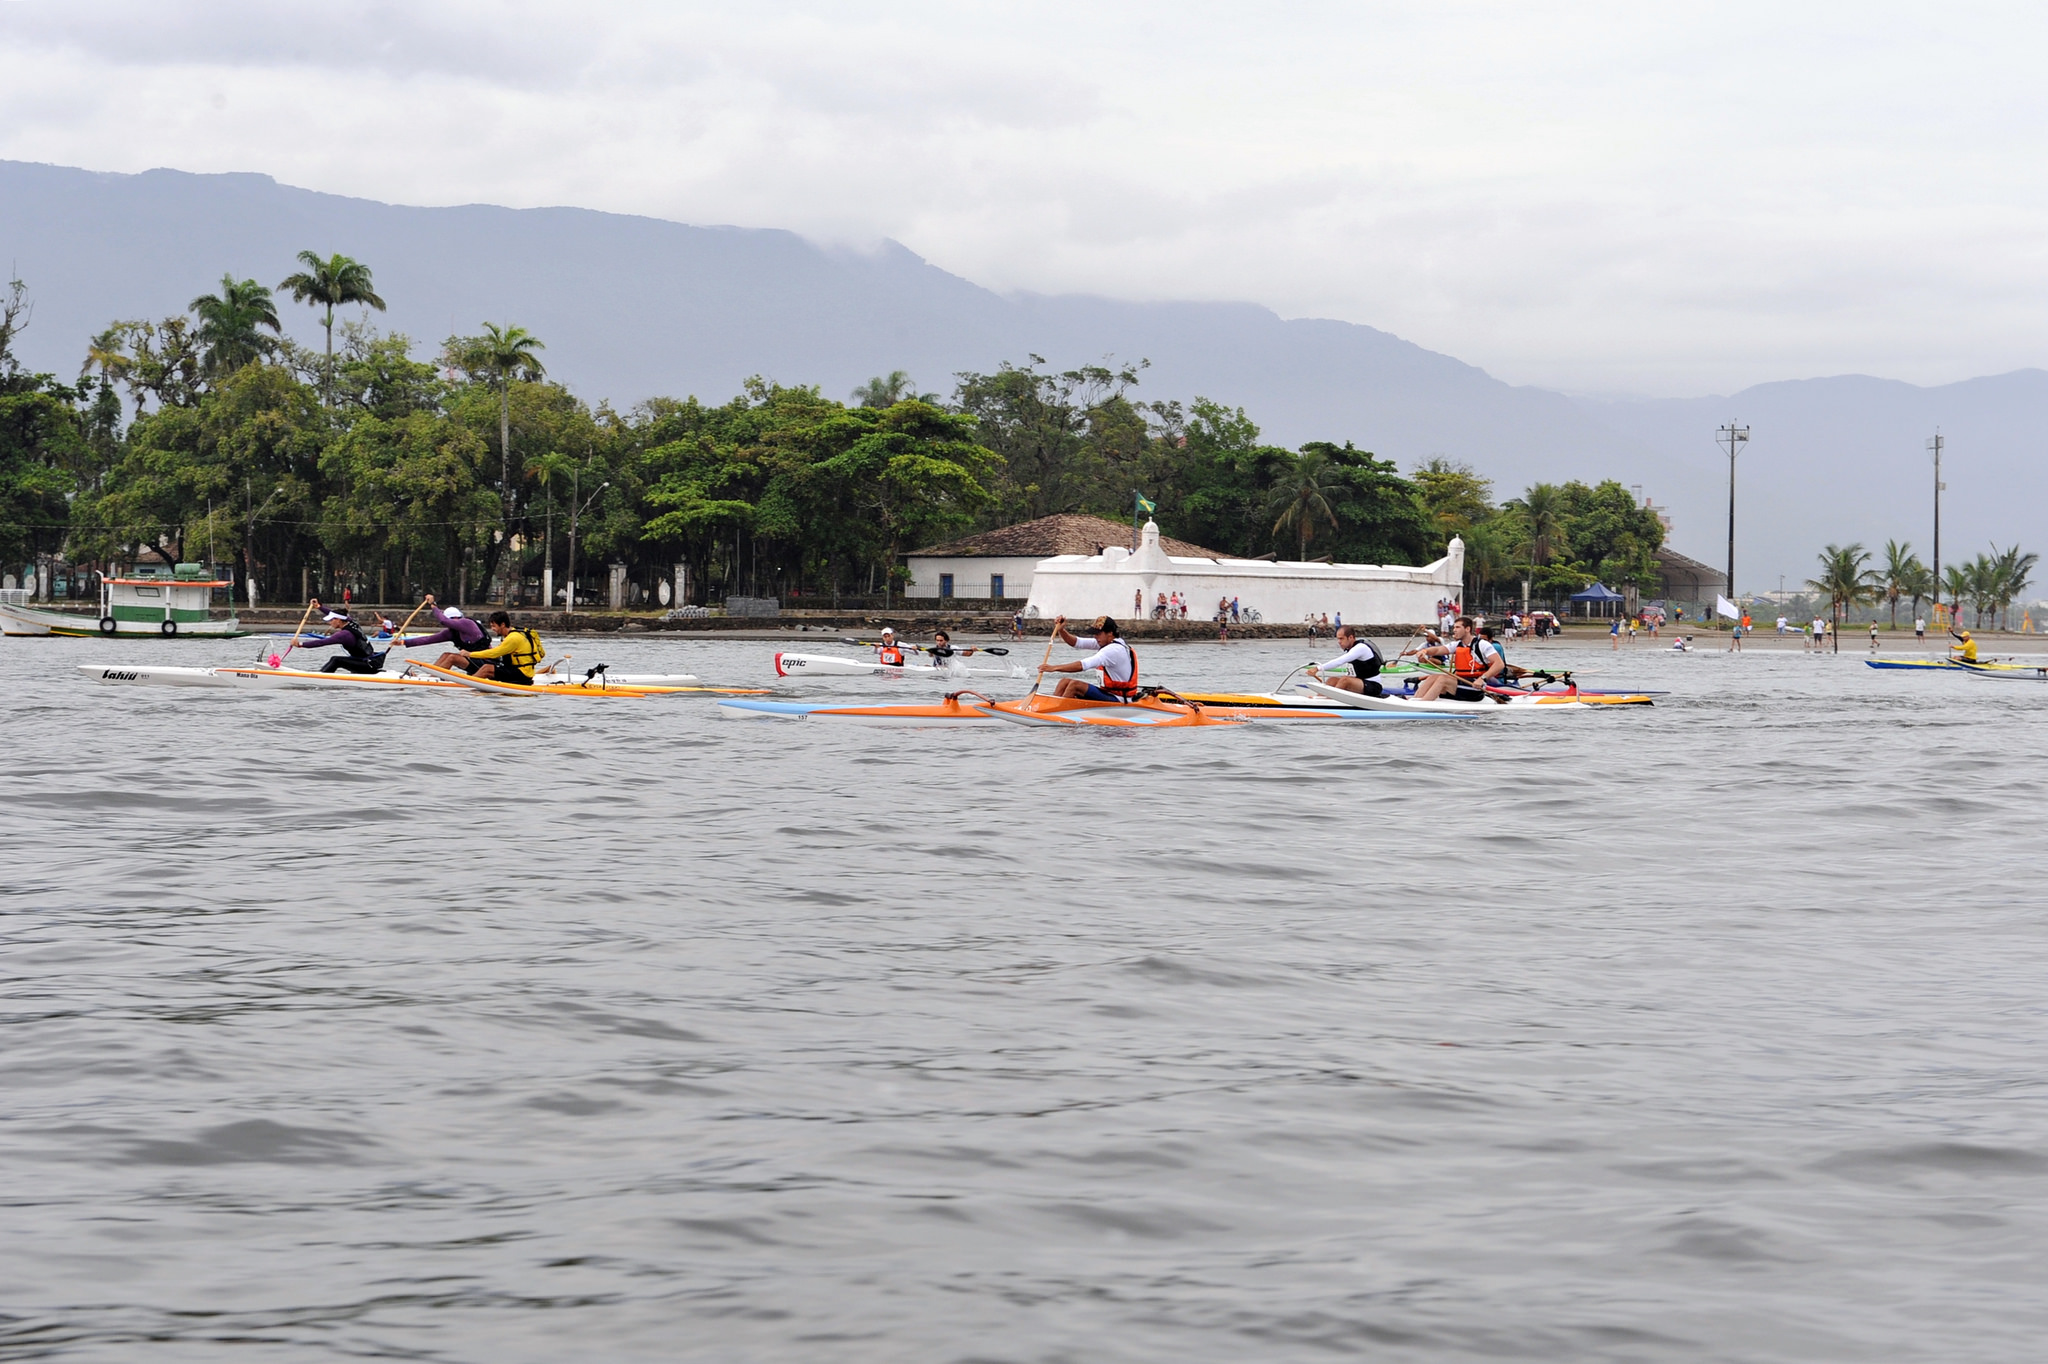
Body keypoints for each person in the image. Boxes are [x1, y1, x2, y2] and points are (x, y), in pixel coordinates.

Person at [1039, 615, 1138, 701]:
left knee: (1075, 685)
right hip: (1109, 692)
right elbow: (1076, 642)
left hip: (1120, 698)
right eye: (1094, 634)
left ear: (1110, 633)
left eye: (1098, 634)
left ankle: (1058, 713)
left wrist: (1054, 668)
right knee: (1064, 682)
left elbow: (1083, 665)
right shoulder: (1108, 642)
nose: (1095, 637)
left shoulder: (1113, 650)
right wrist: (1061, 630)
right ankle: (1052, 708)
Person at [1412, 616, 1503, 702]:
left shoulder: (1482, 644)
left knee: (1443, 679)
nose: (1454, 630)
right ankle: (1415, 701)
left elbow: (1499, 664)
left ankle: (1424, 704)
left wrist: (1482, 678)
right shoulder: (1457, 644)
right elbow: (1438, 650)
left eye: (1458, 627)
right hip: (1461, 684)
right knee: (1434, 676)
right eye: (1454, 627)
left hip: (1475, 687)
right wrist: (1425, 651)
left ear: (1467, 629)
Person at [400, 594, 493, 669]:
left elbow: (443, 621)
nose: (452, 623)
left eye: (453, 620)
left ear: (458, 617)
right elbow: (428, 639)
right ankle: (431, 677)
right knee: (446, 655)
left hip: (487, 662)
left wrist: (433, 605)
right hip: (473, 662)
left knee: (452, 658)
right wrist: (402, 642)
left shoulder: (467, 623)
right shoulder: (451, 633)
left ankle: (434, 678)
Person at [455, 611, 545, 684]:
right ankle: (470, 681)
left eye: (494, 626)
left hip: (522, 675)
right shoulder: (514, 633)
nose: (492, 629)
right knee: (488, 666)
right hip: (522, 671)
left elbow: (495, 653)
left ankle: (465, 685)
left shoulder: (513, 638)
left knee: (487, 668)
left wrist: (470, 654)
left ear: (502, 625)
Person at [292, 608, 384, 674]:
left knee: (336, 660)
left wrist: (300, 644)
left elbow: (322, 642)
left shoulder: (343, 635)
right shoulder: (353, 622)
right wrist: (319, 607)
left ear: (338, 620)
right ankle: (323, 675)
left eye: (331, 620)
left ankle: (321, 677)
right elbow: (333, 613)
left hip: (367, 665)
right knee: (337, 659)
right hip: (369, 661)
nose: (330, 623)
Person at [1304, 624, 1385, 695]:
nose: (1339, 642)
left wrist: (1317, 668)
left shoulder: (1361, 648)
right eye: (1338, 639)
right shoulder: (1350, 649)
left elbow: (1339, 661)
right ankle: (1320, 699)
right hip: (1360, 683)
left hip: (1373, 686)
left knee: (1344, 680)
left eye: (1341, 638)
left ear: (1350, 637)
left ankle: (1330, 700)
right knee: (1332, 680)